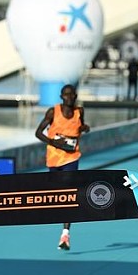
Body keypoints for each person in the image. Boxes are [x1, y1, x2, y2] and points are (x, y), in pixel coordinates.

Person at [35, 84, 90, 251]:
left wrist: (84, 128)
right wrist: (54, 142)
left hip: (72, 158)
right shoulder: (53, 112)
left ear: (75, 96)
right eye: (66, 94)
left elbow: (80, 127)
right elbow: (38, 132)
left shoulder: (79, 111)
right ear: (61, 96)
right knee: (57, 194)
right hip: (54, 159)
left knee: (69, 194)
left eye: (72, 94)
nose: (69, 97)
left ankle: (65, 234)